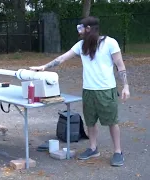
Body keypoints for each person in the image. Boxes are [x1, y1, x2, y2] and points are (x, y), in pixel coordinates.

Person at [29, 16, 130, 167]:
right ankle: (93, 148)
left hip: (106, 90)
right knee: (90, 121)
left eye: (81, 28)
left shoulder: (110, 43)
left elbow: (120, 66)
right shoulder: (81, 45)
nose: (79, 31)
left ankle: (117, 151)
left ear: (89, 29)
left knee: (112, 122)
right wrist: (44, 67)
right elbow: (62, 58)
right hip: (88, 90)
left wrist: (126, 86)